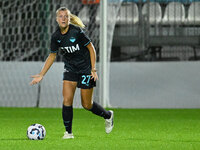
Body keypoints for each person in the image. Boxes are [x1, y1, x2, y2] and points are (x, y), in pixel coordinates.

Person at [30, 7, 114, 139]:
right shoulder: (56, 37)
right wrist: (41, 74)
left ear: (69, 19)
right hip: (70, 69)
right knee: (67, 100)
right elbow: (52, 56)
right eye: (61, 16)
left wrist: (93, 69)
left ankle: (108, 115)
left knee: (87, 105)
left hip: (86, 69)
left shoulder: (77, 32)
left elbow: (91, 48)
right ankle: (68, 133)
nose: (63, 18)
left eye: (66, 16)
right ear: (57, 19)